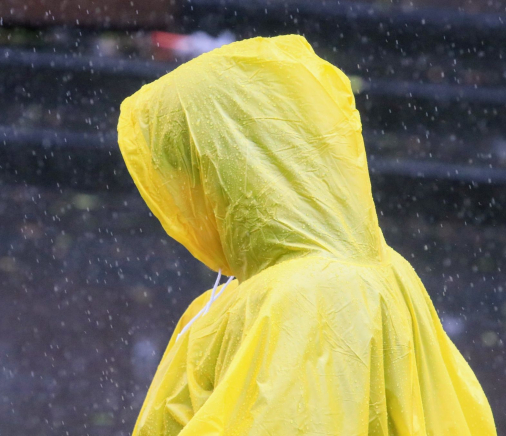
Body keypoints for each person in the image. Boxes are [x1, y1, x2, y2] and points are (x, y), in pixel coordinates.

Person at [117, 35, 496, 435]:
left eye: (186, 168)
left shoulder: (308, 297)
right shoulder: (357, 273)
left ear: (231, 167)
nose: (182, 195)